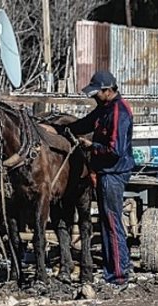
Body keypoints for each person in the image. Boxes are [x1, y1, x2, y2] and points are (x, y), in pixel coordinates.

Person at [60, 70, 135, 286]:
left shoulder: (119, 112)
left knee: (112, 223)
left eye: (96, 93)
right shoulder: (104, 108)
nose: (93, 96)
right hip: (105, 172)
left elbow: (116, 150)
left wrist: (92, 146)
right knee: (107, 222)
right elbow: (84, 124)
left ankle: (118, 275)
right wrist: (61, 128)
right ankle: (113, 270)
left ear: (108, 90)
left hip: (114, 173)